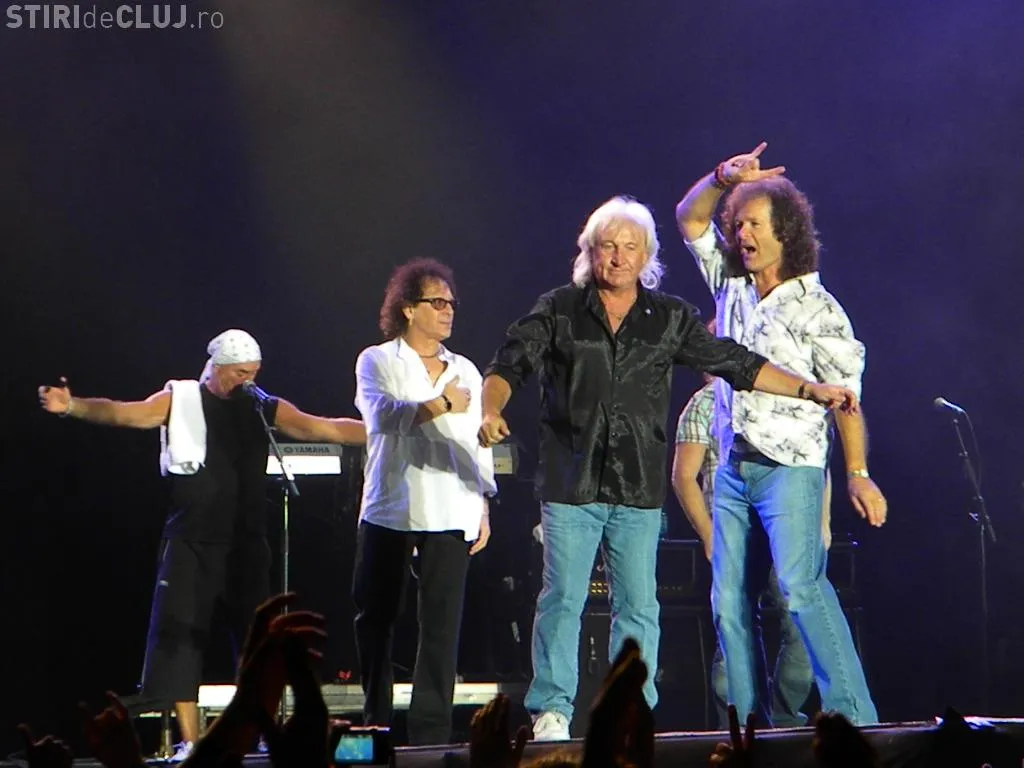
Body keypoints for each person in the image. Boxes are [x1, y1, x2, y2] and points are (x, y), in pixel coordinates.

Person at [477, 195, 860, 741]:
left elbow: (737, 363)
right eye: (608, 245)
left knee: (638, 608)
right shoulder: (559, 308)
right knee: (562, 599)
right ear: (590, 251)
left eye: (630, 246)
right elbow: (510, 361)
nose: (618, 256)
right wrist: (490, 409)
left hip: (636, 488)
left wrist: (807, 388)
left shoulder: (669, 318)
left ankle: (629, 711)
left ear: (646, 256)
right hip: (569, 484)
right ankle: (552, 711)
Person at [37, 329, 366, 759]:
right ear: (216, 368)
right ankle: (192, 743)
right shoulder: (181, 399)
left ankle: (260, 732)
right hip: (191, 539)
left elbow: (325, 428)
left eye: (254, 373)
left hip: (247, 543)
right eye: (240, 373)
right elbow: (125, 414)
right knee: (181, 642)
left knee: (257, 643)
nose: (248, 381)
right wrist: (73, 406)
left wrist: (388, 431)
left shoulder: (262, 407)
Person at [676, 141, 888, 726]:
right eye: (737, 224)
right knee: (728, 605)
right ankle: (749, 729)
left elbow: (847, 402)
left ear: (785, 233)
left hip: (789, 469)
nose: (741, 233)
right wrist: (724, 178)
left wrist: (858, 474)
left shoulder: (820, 308)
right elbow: (689, 218)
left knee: (799, 588)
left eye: (754, 224)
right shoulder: (730, 284)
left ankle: (857, 719)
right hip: (731, 468)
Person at [353, 258, 496, 746]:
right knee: (376, 618)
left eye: (451, 303)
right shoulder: (377, 360)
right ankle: (374, 720)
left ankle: (430, 734)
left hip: (452, 506)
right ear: (408, 309)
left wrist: (482, 504)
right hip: (392, 506)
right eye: (437, 302)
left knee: (441, 625)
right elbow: (383, 417)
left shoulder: (465, 369)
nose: (448, 310)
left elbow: (477, 442)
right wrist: (441, 403)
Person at [672, 367, 832, 727]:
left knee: (803, 627)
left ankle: (784, 719)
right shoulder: (704, 404)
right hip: (737, 533)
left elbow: (814, 462)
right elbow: (683, 476)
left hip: (787, 528)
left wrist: (822, 520)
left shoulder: (783, 394)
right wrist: (709, 534)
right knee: (735, 625)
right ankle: (745, 726)